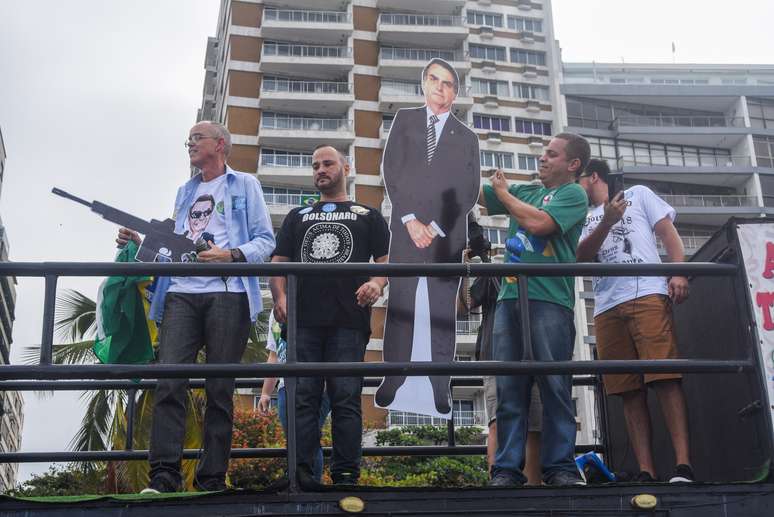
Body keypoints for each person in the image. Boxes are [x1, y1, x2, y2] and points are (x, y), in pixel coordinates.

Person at [117, 121, 275, 494]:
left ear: (220, 144)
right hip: (180, 293)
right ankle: (164, 477)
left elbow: (266, 240)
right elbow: (175, 245)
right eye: (188, 138)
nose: (189, 143)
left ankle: (211, 479)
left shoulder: (245, 184)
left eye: (197, 137)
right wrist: (141, 242)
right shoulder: (184, 192)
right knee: (170, 383)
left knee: (220, 389)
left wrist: (231, 254)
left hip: (229, 292)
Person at [270, 145, 390, 487]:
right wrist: (279, 298)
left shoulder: (368, 215)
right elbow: (276, 263)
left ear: (346, 168)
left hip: (348, 320)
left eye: (328, 163)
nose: (320, 169)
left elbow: (385, 265)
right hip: (302, 320)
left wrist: (376, 285)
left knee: (346, 398)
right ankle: (300, 472)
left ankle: (346, 474)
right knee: (302, 397)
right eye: (315, 166)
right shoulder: (297, 216)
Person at [480, 133, 591, 487]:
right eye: (543, 153)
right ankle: (507, 470)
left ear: (573, 165)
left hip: (550, 302)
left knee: (555, 386)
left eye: (552, 154)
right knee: (510, 390)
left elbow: (540, 224)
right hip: (509, 299)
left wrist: (503, 194)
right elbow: (472, 195)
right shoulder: (524, 191)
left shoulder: (574, 194)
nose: (542, 159)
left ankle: (560, 468)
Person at [576, 158, 693, 483]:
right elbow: (581, 258)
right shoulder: (585, 218)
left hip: (647, 293)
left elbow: (669, 234)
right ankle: (646, 470)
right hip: (606, 306)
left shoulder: (638, 194)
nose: (576, 186)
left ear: (594, 176)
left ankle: (683, 465)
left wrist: (678, 270)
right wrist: (606, 222)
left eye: (579, 179)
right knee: (628, 390)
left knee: (665, 378)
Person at [376, 58, 481, 414]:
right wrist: (409, 220)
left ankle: (441, 385)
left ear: (455, 92)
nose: (440, 86)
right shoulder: (404, 121)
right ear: (424, 84)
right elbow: (393, 170)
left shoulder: (467, 138)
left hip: (447, 239)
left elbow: (467, 191)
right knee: (400, 308)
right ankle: (393, 377)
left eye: (448, 82)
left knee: (441, 312)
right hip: (405, 233)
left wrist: (434, 227)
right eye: (434, 80)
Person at [257, 311, 331, 482]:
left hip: (317, 384)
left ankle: (309, 483)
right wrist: (265, 392)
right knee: (294, 438)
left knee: (307, 437)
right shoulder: (275, 314)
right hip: (286, 385)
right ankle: (300, 481)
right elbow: (274, 354)